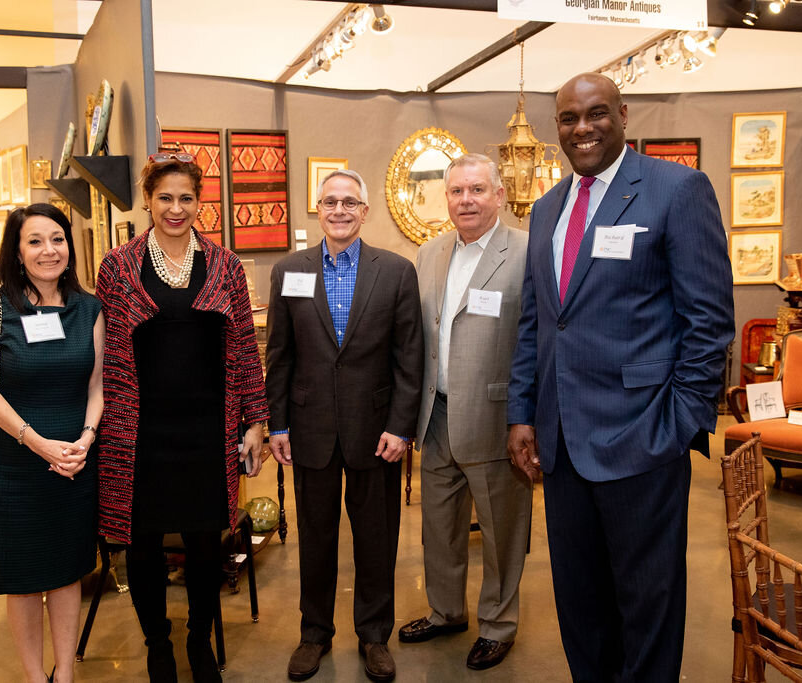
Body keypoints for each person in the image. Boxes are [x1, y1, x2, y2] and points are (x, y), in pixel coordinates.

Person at [507, 73, 734, 681]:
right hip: (561, 446)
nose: (582, 128)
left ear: (624, 115)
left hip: (643, 439)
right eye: (569, 118)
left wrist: (679, 423)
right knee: (580, 603)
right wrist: (523, 413)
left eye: (596, 113)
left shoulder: (677, 189)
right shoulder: (548, 208)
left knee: (647, 605)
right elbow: (538, 321)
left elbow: (710, 323)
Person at [96, 153, 269, 683]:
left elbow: (244, 346)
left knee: (204, 543)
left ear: (200, 203)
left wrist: (254, 421)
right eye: (165, 198)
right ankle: (158, 646)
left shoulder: (225, 265)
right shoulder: (117, 266)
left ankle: (198, 640)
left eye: (186, 198)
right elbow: (105, 356)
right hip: (138, 431)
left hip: (207, 429)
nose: (176, 208)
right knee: (142, 545)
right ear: (147, 201)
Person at [266, 169, 423, 682]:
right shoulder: (289, 270)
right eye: (330, 201)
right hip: (309, 429)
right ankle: (314, 633)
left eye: (349, 202)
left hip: (376, 432)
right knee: (315, 540)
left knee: (376, 540)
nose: (339, 210)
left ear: (364, 210)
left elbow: (409, 357)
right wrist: (277, 424)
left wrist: (401, 427)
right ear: (318, 209)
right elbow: (280, 355)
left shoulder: (396, 271)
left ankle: (374, 635)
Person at [398, 153, 531, 671]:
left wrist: (527, 417)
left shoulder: (525, 252)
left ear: (499, 195)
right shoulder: (429, 252)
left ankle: (498, 624)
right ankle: (446, 611)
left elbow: (536, 339)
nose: (466, 200)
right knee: (439, 527)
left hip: (497, 419)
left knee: (501, 532)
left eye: (477, 190)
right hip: (437, 416)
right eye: (456, 191)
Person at [0, 203, 105, 683]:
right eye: (35, 241)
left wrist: (86, 438)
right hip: (14, 466)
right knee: (23, 580)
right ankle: (34, 676)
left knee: (67, 572)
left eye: (57, 239)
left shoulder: (89, 308)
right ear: (17, 251)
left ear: (70, 246)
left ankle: (64, 674)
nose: (49, 250)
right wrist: (39, 443)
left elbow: (97, 386)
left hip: (74, 463)